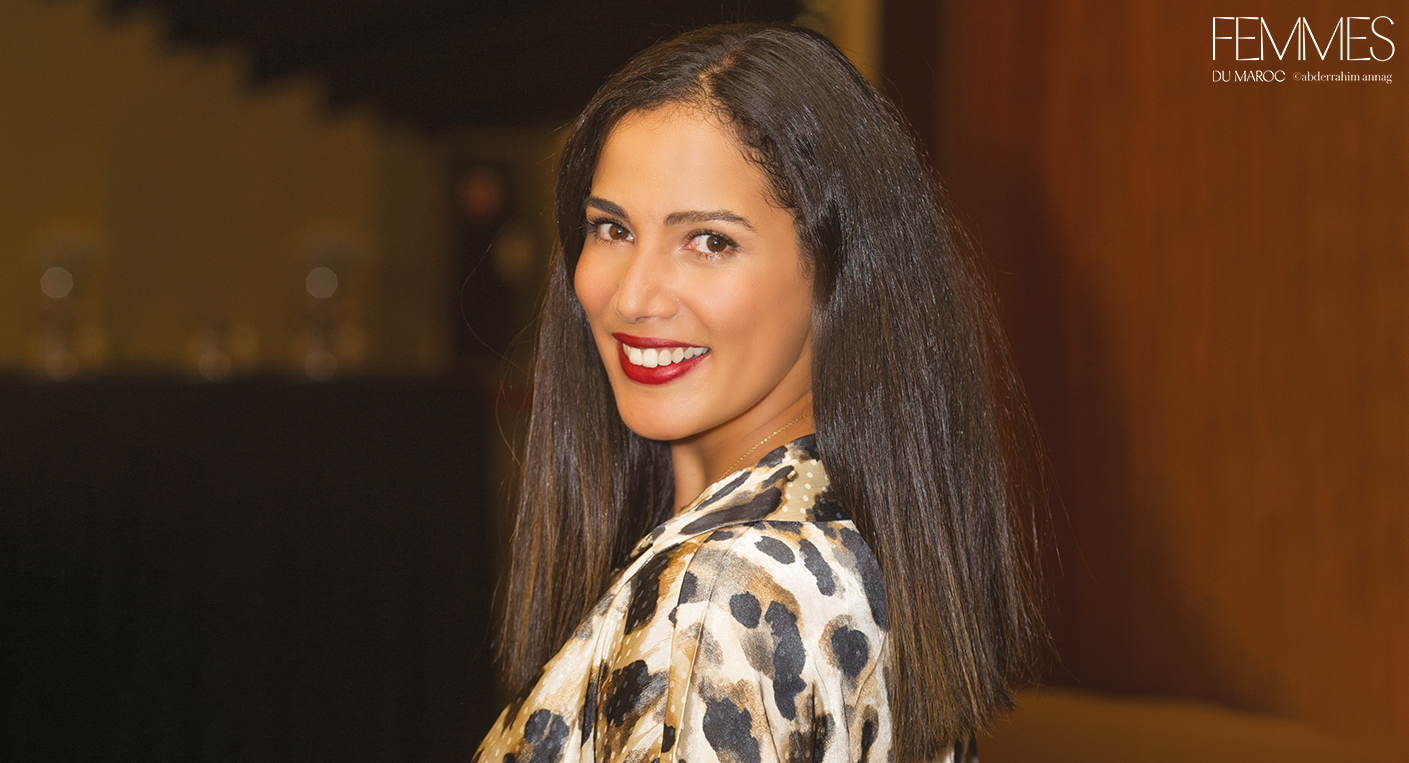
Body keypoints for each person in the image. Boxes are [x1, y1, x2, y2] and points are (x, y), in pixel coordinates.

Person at [478, 22, 1042, 763]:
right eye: (611, 228)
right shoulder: (846, 543)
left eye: (709, 240)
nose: (633, 297)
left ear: (837, 271)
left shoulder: (723, 593)